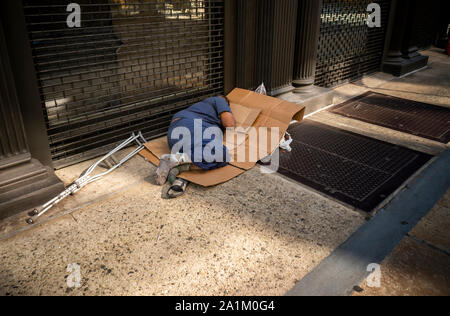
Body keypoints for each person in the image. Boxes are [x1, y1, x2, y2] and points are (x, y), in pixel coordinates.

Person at [155, 96, 236, 186]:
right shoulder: (219, 100)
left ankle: (177, 164)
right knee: (222, 155)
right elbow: (229, 124)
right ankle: (176, 159)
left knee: (205, 154)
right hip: (191, 127)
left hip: (174, 138)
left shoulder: (199, 108)